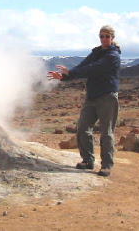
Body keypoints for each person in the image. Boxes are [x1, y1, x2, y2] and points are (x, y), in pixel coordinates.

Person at [47, 25, 121, 177]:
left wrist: (72, 72)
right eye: (102, 36)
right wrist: (65, 76)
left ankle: (106, 165)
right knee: (82, 128)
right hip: (92, 96)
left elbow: (94, 68)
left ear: (112, 37)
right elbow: (83, 66)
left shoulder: (113, 55)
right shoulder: (96, 52)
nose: (104, 39)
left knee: (106, 132)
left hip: (107, 96)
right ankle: (88, 160)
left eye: (107, 36)